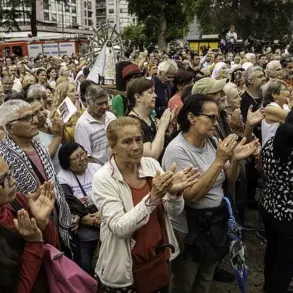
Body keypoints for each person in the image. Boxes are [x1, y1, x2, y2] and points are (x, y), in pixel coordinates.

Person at [162, 95, 259, 293]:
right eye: (211, 117)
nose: (215, 123)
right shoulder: (177, 150)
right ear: (191, 117)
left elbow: (229, 179)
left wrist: (235, 160)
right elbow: (191, 196)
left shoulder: (212, 142)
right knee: (185, 281)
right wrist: (219, 161)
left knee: (206, 276)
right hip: (190, 229)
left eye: (216, 118)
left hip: (214, 224)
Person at [91, 117, 199, 293]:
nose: (135, 146)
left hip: (158, 259)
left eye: (138, 139)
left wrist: (174, 193)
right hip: (125, 269)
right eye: (127, 141)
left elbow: (173, 211)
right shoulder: (104, 179)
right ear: (112, 147)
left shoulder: (151, 165)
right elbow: (120, 227)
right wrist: (153, 197)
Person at [0, 99, 71, 251]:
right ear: (10, 128)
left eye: (32, 115)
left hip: (55, 216)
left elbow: (54, 184)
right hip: (30, 231)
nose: (34, 120)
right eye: (26, 118)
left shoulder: (39, 146)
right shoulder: (4, 157)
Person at [0, 157, 58, 293]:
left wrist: (42, 223)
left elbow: (51, 250)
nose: (13, 182)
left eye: (10, 174)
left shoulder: (17, 202)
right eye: (4, 180)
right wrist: (33, 243)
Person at [260, 111, 293, 293]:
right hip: (288, 215)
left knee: (272, 250)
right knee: (286, 261)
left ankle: (268, 285)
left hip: (269, 206)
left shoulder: (270, 145)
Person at [57, 142, 101, 274]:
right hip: (85, 229)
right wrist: (91, 219)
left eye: (82, 153)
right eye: (76, 158)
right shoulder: (62, 178)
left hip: (102, 215)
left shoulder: (97, 168)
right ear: (67, 163)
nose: (82, 159)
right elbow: (69, 204)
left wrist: (100, 214)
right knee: (85, 265)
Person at [127, 78, 175, 160]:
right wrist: (162, 127)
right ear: (137, 97)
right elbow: (152, 156)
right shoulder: (132, 123)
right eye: (150, 92)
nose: (155, 95)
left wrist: (166, 126)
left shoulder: (149, 117)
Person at [74, 85, 116, 165]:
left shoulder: (111, 117)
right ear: (88, 102)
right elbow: (87, 157)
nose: (104, 106)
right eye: (100, 104)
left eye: (106, 102)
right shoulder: (82, 125)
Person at [261, 79, 290, 146]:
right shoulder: (269, 109)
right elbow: (290, 119)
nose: (288, 92)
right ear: (275, 94)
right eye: (285, 90)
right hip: (271, 149)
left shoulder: (285, 106)